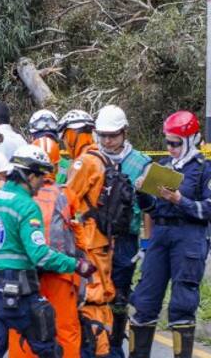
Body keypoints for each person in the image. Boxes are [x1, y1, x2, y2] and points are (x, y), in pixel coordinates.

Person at [0, 145, 95, 358]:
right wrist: (76, 265)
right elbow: (40, 255)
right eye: (40, 177)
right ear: (28, 176)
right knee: (46, 344)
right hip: (16, 289)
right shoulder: (26, 206)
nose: (41, 184)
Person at [127, 110, 208, 358]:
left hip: (189, 236)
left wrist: (180, 200)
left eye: (175, 143)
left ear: (190, 140)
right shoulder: (162, 168)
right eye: (168, 142)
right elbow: (151, 208)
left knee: (182, 305)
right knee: (144, 302)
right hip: (160, 235)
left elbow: (208, 209)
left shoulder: (204, 169)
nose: (170, 148)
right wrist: (142, 192)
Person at [8, 126, 82, 358]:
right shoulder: (66, 195)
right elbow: (80, 237)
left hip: (22, 274)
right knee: (65, 329)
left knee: (21, 328)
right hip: (59, 274)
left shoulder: (10, 195)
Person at [93, 105, 150, 358]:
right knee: (94, 295)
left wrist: (147, 245)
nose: (107, 140)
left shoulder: (141, 164)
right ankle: (96, 345)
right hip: (95, 239)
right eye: (103, 135)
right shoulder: (91, 159)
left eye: (113, 135)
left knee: (119, 296)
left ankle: (114, 345)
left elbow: (152, 209)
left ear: (124, 132)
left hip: (126, 240)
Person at [60, 109, 114, 358]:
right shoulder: (103, 158)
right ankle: (103, 350)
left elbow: (67, 199)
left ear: (73, 134)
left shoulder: (85, 162)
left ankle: (96, 352)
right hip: (102, 240)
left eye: (65, 136)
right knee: (101, 300)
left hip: (90, 241)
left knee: (91, 300)